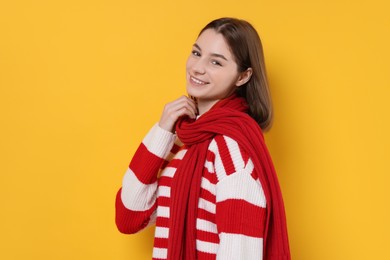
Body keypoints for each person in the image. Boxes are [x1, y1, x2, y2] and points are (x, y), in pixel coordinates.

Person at [115, 17, 291, 260]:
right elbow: (129, 216)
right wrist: (163, 129)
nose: (198, 68)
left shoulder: (232, 149)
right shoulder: (184, 141)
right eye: (196, 53)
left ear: (242, 76)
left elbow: (240, 252)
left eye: (216, 62)